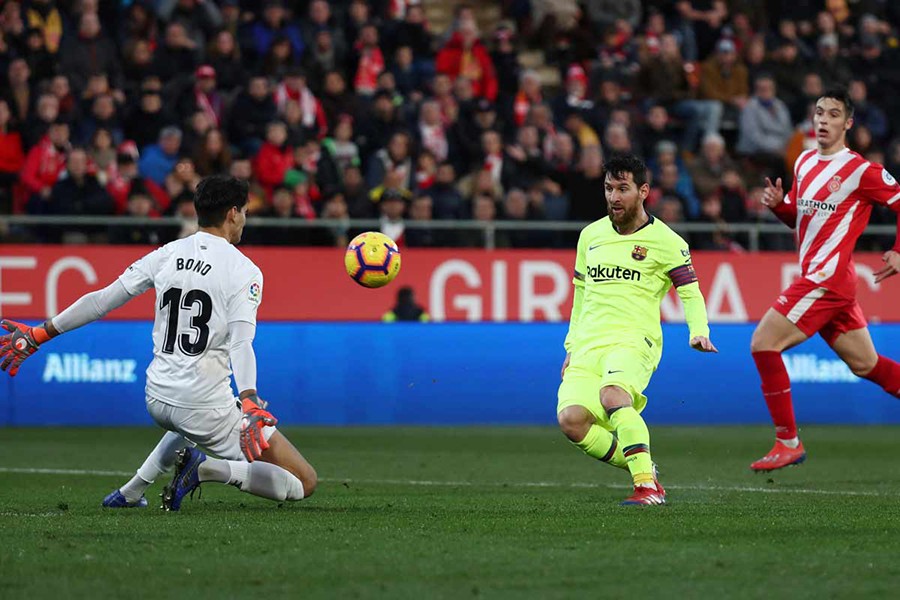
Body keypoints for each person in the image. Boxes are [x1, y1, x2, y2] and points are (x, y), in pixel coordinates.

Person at [0, 175, 317, 511]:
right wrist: (249, 400)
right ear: (232, 213)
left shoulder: (168, 253)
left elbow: (102, 300)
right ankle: (206, 469)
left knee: (187, 420)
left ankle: (132, 491)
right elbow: (241, 342)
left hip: (157, 396)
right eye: (245, 213)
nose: (245, 221)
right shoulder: (244, 270)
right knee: (303, 481)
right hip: (204, 408)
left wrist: (38, 334)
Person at [749, 88, 900, 471]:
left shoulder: (860, 170)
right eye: (819, 112)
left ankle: (788, 442)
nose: (823, 120)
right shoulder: (803, 161)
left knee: (763, 343)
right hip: (830, 281)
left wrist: (898, 250)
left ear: (848, 123)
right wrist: (780, 207)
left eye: (833, 114)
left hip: (826, 279)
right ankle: (788, 442)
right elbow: (802, 219)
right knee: (866, 365)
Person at [556, 153, 717, 506]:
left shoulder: (668, 242)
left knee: (613, 395)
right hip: (589, 343)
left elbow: (689, 291)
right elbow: (581, 295)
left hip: (634, 340)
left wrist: (698, 330)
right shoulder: (590, 236)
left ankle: (646, 487)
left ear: (643, 191)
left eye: (622, 188)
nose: (614, 197)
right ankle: (644, 468)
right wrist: (571, 346)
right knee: (572, 420)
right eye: (608, 188)